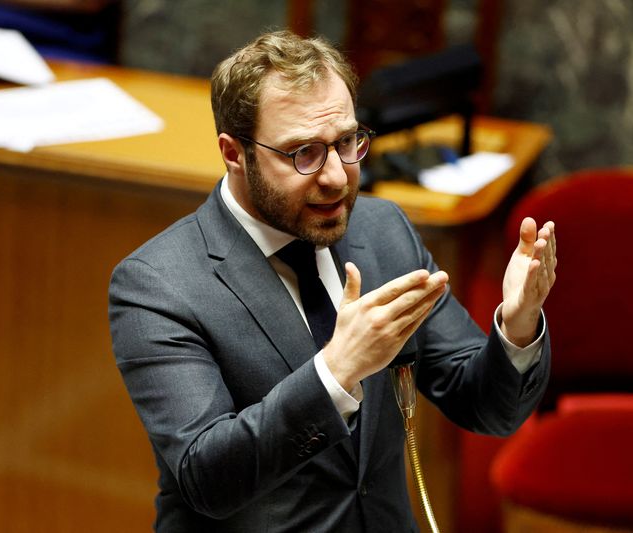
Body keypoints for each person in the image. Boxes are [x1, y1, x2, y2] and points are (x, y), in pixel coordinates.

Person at [109, 30, 556, 533]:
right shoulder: (159, 284)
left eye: (347, 142)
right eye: (303, 153)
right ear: (234, 153)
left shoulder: (383, 231)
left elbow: (486, 408)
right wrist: (336, 372)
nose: (337, 178)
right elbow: (207, 478)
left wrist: (517, 325)